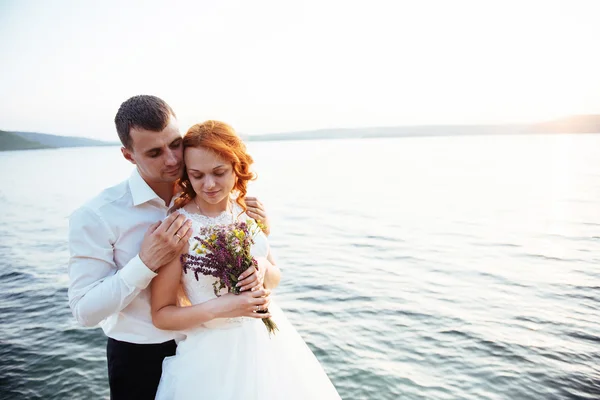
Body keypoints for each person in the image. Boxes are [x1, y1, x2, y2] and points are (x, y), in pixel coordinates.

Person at [67, 95, 271, 400]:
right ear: (129, 155)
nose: (173, 160)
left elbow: (262, 263)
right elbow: (84, 312)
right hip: (140, 357)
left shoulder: (207, 190)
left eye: (175, 144)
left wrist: (261, 241)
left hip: (213, 347)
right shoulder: (96, 215)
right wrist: (145, 263)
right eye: (154, 153)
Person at [151, 120, 341, 400]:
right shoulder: (179, 227)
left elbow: (275, 276)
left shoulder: (247, 210)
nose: (209, 184)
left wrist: (262, 267)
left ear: (236, 167)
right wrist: (220, 307)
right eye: (197, 175)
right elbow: (161, 315)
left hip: (271, 347)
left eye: (219, 172)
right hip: (213, 359)